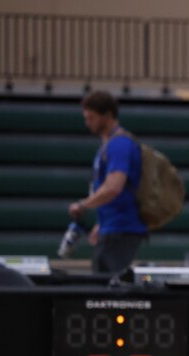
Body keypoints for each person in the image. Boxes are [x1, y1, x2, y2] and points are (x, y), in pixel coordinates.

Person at [68, 90, 148, 275]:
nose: (87, 123)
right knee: (102, 279)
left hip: (122, 227)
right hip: (112, 226)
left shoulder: (119, 145)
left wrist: (83, 205)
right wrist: (101, 224)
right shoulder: (108, 145)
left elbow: (114, 187)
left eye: (92, 117)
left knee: (109, 287)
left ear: (108, 115)